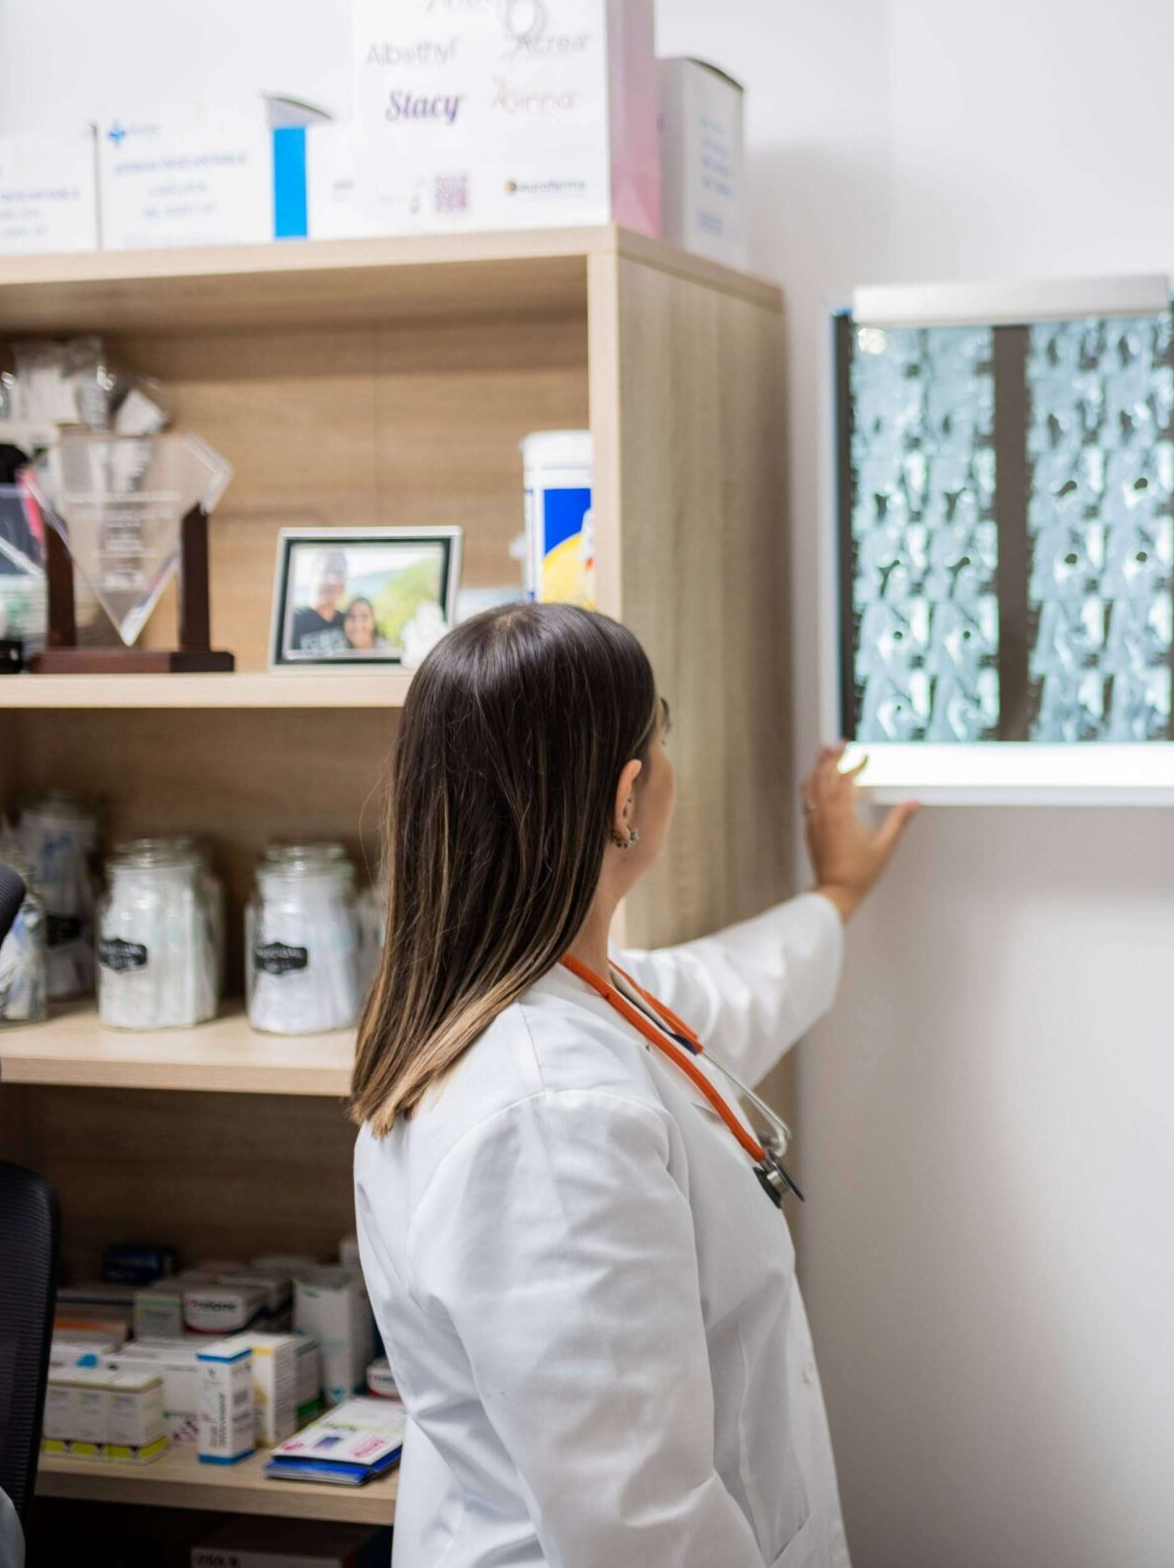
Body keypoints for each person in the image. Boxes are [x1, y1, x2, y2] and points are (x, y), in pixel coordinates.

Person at [351, 602, 919, 1567]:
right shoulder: (549, 1123)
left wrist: (838, 893)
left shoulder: (561, 996)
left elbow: (722, 992)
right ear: (626, 795)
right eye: (662, 745)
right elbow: (639, 1533)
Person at [287, 552, 351, 655]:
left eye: (339, 573)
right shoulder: (292, 621)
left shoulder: (348, 622)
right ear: (312, 575)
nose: (333, 580)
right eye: (326, 571)